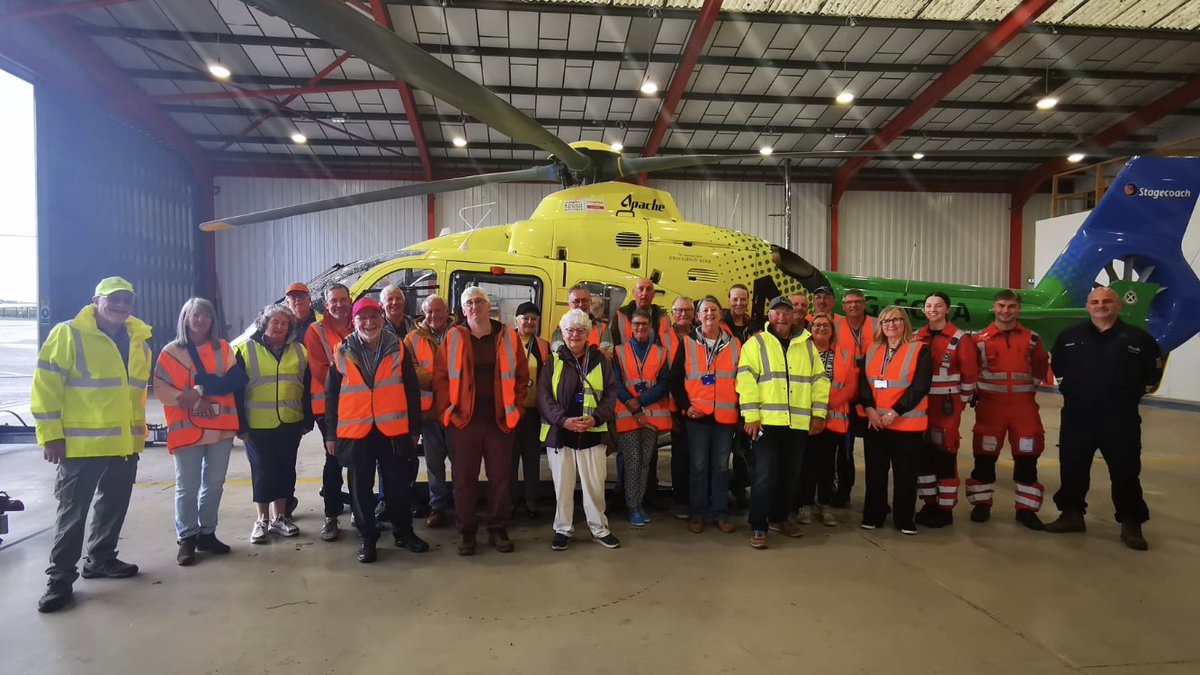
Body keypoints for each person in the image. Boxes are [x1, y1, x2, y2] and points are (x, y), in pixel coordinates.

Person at [32, 276, 152, 613]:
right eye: (114, 299)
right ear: (95, 301)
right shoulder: (68, 333)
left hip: (124, 444)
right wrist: (50, 434)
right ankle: (59, 581)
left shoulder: (139, 339)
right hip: (80, 446)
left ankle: (100, 559)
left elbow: (134, 394)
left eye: (127, 300)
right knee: (72, 515)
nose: (121, 306)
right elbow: (46, 385)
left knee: (113, 507)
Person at [1045, 287, 1164, 550]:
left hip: (1120, 418)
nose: (1101, 306)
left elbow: (1151, 376)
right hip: (1078, 416)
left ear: (1118, 304)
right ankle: (1072, 514)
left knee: (1125, 471)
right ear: (1087, 306)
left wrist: (1124, 395)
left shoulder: (1138, 339)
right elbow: (1059, 368)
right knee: (1073, 466)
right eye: (1095, 302)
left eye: (1107, 301)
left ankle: (1131, 522)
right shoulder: (1069, 336)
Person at [324, 297, 429, 563]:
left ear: (381, 319)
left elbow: (411, 390)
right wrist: (330, 435)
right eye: (363, 318)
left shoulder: (398, 348)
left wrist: (414, 427)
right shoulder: (341, 351)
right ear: (354, 321)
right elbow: (331, 397)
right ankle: (367, 539)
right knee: (360, 489)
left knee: (397, 485)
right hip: (357, 431)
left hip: (392, 429)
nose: (369, 323)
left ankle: (403, 533)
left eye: (373, 317)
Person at [434, 286, 529, 555]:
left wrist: (517, 408)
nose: (474, 306)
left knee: (501, 478)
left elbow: (522, 377)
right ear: (463, 310)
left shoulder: (508, 336)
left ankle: (498, 528)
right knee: (464, 479)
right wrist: (447, 412)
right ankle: (467, 532)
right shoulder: (453, 337)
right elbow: (440, 378)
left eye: (479, 301)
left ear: (489, 306)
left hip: (500, 420)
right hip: (464, 422)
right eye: (469, 303)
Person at [153, 298, 246, 566]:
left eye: (206, 315)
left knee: (215, 484)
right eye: (195, 315)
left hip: (221, 429)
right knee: (187, 486)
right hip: (187, 430)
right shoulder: (171, 352)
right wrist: (193, 399)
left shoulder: (223, 348)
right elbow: (161, 388)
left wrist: (202, 389)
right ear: (185, 318)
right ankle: (187, 538)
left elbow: (235, 379)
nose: (200, 320)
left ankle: (207, 533)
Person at [737, 296, 830, 549]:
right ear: (769, 316)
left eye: (786, 312)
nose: (781, 316)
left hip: (798, 424)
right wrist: (751, 416)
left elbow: (820, 381)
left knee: (791, 476)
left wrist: (819, 413)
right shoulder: (756, 343)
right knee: (765, 476)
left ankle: (780, 518)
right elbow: (745, 380)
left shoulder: (806, 345)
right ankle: (758, 525)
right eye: (776, 312)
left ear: (793, 316)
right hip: (767, 423)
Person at [538, 308, 622, 551]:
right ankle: (562, 529)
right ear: (562, 333)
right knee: (562, 487)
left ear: (588, 334)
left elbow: (610, 394)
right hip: (561, 433)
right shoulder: (552, 360)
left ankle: (599, 528)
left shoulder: (600, 361)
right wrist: (563, 420)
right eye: (570, 330)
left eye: (580, 330)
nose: (575, 334)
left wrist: (596, 419)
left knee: (595, 486)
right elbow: (544, 397)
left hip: (592, 434)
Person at [967, 290, 1050, 531]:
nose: (1006, 311)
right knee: (984, 456)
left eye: (1011, 306)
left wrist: (1023, 391)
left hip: (1023, 408)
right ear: (993, 307)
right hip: (990, 409)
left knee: (1027, 457)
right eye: (1001, 306)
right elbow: (972, 371)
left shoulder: (1032, 339)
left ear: (1018, 309)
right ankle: (981, 505)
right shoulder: (979, 340)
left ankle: (1026, 510)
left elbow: (1040, 367)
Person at [234, 304, 313, 545]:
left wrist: (307, 419)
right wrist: (240, 425)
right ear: (265, 324)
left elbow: (307, 387)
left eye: (284, 323)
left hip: (290, 421)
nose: (279, 326)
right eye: (275, 322)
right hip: (258, 424)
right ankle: (262, 520)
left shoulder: (300, 351)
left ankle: (280, 517)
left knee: (286, 470)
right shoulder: (245, 350)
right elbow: (236, 392)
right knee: (262, 472)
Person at [858, 305, 931, 534]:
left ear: (905, 323)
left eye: (896, 320)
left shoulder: (920, 350)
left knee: (905, 474)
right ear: (880, 325)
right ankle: (874, 514)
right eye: (886, 321)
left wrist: (894, 413)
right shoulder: (871, 349)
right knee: (875, 473)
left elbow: (920, 387)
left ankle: (904, 519)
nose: (891, 325)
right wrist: (869, 409)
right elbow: (864, 384)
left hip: (906, 424)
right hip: (875, 423)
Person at [674, 296, 741, 535]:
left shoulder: (735, 344)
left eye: (713, 309)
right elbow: (675, 380)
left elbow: (742, 380)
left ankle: (720, 513)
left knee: (721, 467)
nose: (709, 314)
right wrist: (685, 406)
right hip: (697, 416)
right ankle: (699, 514)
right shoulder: (687, 342)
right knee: (699, 466)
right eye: (705, 310)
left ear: (721, 314)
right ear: (698, 316)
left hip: (725, 417)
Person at [913, 292, 979, 529]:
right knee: (923, 457)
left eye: (938, 306)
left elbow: (970, 373)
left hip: (946, 408)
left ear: (947, 309)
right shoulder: (915, 336)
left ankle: (945, 508)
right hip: (920, 407)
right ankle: (929, 503)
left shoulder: (960, 339)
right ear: (923, 310)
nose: (933, 309)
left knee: (945, 456)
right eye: (929, 305)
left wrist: (960, 402)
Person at [613, 308, 673, 527]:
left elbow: (664, 383)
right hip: (628, 415)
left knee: (645, 463)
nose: (640, 328)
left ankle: (638, 503)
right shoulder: (618, 352)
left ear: (650, 328)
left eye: (644, 325)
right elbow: (616, 383)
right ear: (630, 326)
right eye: (636, 324)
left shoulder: (660, 352)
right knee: (632, 462)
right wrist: (633, 405)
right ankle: (632, 507)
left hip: (651, 416)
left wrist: (641, 401)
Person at [797, 312, 856, 528]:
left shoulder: (844, 354)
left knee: (826, 466)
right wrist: (815, 408)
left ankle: (824, 505)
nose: (821, 328)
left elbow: (850, 386)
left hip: (832, 420)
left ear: (832, 330)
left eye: (826, 325)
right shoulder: (801, 352)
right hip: (806, 419)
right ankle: (804, 505)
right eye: (816, 325)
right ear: (810, 329)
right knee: (806, 464)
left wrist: (825, 405)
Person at [304, 284, 353, 542]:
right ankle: (331, 516)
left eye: (343, 300)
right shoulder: (316, 331)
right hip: (329, 407)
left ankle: (359, 509)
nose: (339, 305)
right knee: (333, 459)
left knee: (359, 459)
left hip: (357, 406)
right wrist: (352, 392)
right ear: (326, 304)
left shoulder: (357, 325)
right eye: (334, 300)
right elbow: (321, 371)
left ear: (350, 300)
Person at [405, 294, 454, 526]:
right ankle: (438, 506)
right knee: (434, 464)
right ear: (423, 313)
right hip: (430, 413)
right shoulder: (411, 338)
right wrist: (442, 382)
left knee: (462, 462)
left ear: (447, 311)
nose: (434, 316)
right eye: (429, 312)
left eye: (438, 311)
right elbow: (412, 370)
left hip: (456, 410)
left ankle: (464, 504)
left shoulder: (460, 333)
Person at [832, 288, 875, 508]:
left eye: (858, 301)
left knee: (875, 452)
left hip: (872, 397)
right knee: (844, 449)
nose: (854, 306)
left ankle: (875, 498)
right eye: (849, 302)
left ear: (864, 303)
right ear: (843, 305)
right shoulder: (836, 327)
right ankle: (843, 491)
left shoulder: (877, 325)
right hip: (846, 396)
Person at [512, 301, 549, 519]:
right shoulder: (506, 342)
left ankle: (531, 500)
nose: (529, 322)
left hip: (534, 413)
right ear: (516, 320)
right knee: (509, 459)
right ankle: (510, 500)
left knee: (532, 458)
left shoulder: (543, 346)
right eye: (524, 318)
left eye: (533, 319)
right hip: (511, 411)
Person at [667, 295, 696, 519]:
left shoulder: (701, 335)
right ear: (672, 313)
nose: (683, 314)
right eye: (679, 310)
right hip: (670, 404)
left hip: (698, 405)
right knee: (680, 457)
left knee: (699, 457)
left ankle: (698, 498)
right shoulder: (662, 336)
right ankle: (681, 500)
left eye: (688, 310)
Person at [611, 277, 672, 349]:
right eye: (641, 289)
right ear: (634, 292)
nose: (644, 293)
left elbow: (667, 348)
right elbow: (613, 346)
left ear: (653, 294)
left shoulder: (663, 318)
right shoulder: (620, 315)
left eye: (648, 289)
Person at [550, 284, 612, 353]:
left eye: (584, 300)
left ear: (590, 302)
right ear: (569, 304)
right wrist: (595, 353)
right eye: (576, 301)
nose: (580, 304)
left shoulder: (603, 328)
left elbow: (607, 354)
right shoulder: (560, 329)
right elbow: (559, 353)